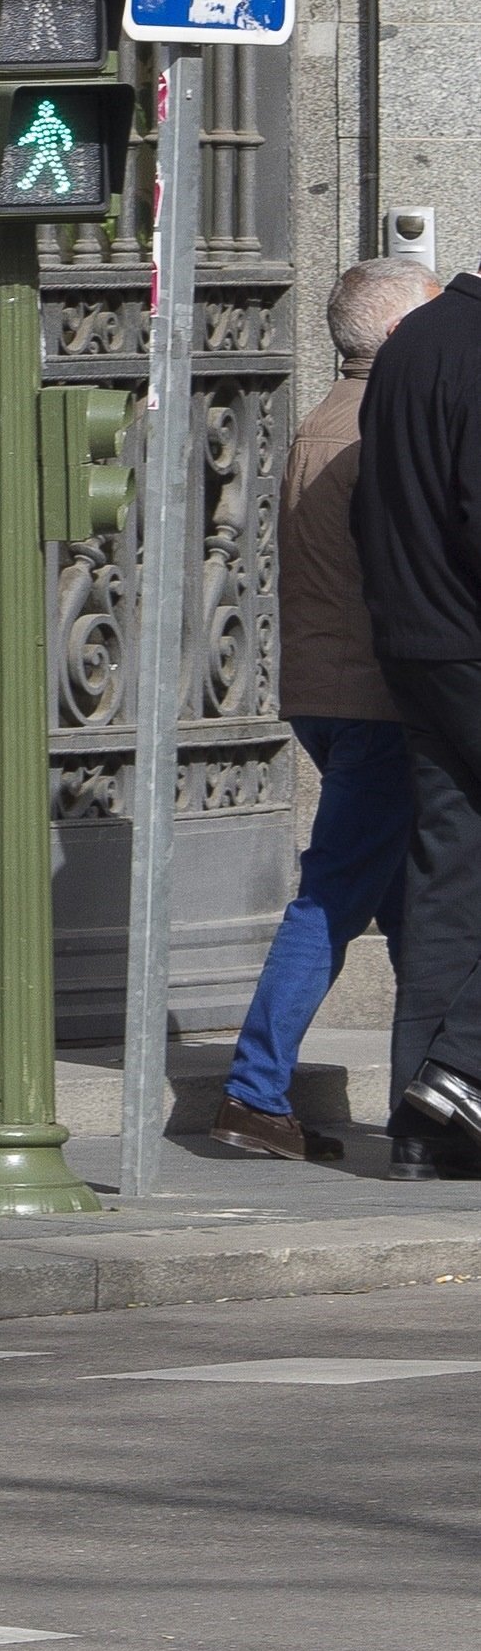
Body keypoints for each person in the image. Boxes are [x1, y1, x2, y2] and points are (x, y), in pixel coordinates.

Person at [213, 257, 434, 1163]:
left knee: (416, 907)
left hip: (320, 692)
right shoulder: (385, 426)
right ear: (393, 334)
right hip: (376, 699)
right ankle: (251, 1090)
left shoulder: (318, 420)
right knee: (332, 898)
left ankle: (430, 1098)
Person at [351, 249, 481, 1170]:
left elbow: (373, 507)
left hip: (414, 644)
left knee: (449, 870)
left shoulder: (407, 344)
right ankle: (461, 1065)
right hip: (469, 640)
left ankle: (420, 1129)